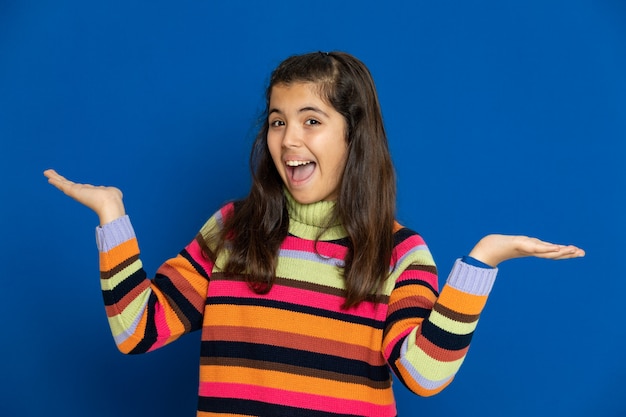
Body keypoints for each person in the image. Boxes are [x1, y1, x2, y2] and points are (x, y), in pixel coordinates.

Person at [44, 51, 584, 417]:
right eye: (278, 120)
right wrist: (112, 217)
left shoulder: (398, 253)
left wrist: (483, 261)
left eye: (311, 119)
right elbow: (136, 330)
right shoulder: (232, 230)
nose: (288, 138)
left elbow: (422, 374)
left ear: (353, 135)